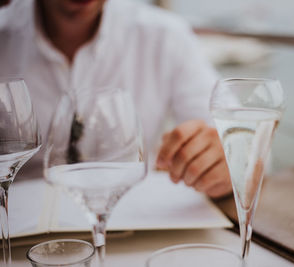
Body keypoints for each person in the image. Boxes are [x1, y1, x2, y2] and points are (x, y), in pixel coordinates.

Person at [0, 0, 232, 198]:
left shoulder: (163, 34)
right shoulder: (4, 32)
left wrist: (223, 161)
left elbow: (232, 135)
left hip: (135, 224)